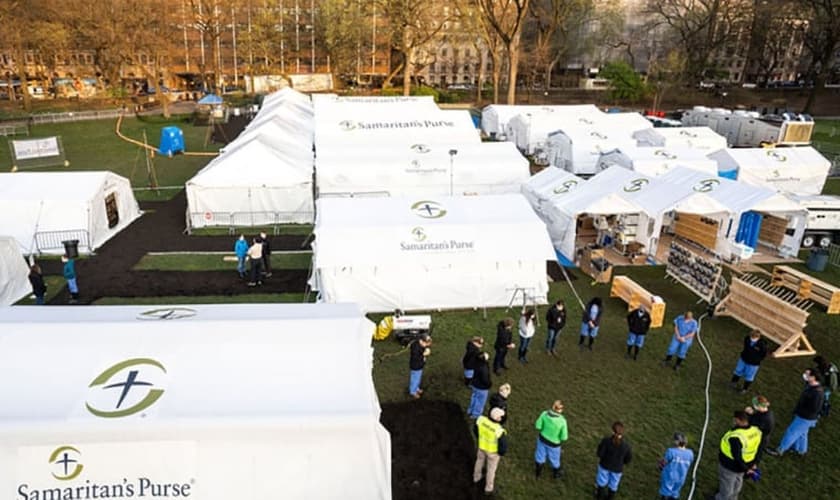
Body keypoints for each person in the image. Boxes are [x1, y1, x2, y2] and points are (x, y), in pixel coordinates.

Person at [766, 368, 824, 457]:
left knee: (791, 432)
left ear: (813, 377)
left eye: (807, 374)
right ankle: (800, 450)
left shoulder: (817, 393)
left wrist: (801, 411)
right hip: (807, 417)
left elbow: (815, 408)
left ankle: (780, 450)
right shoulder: (810, 386)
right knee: (802, 433)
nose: (805, 375)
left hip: (805, 417)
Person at [715, 410, 762, 500]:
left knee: (726, 487)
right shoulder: (756, 431)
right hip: (746, 464)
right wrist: (752, 464)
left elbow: (737, 456)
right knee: (737, 483)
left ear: (738, 420)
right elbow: (759, 448)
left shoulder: (736, 437)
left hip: (730, 466)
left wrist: (747, 469)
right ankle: (733, 498)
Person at [473, 407, 508, 496]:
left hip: (481, 447)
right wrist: (501, 453)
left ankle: (476, 477)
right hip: (492, 453)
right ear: (498, 419)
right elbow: (503, 446)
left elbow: (475, 430)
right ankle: (488, 488)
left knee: (479, 461)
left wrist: (479, 438)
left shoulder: (481, 420)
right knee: (491, 470)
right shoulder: (498, 430)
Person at [594, 421, 633, 500]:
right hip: (617, 469)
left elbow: (600, 454)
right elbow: (628, 459)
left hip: (604, 465)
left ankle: (599, 497)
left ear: (612, 431)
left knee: (601, 482)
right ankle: (610, 498)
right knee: (613, 484)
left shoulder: (606, 441)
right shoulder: (626, 446)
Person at [534, 400, 568, 480]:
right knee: (555, 459)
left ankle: (537, 474)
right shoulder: (562, 421)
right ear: (560, 410)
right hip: (554, 444)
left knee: (540, 456)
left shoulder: (544, 414)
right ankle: (556, 474)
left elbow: (538, 426)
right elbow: (564, 437)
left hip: (542, 439)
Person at [659, 432, 694, 500]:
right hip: (681, 478)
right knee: (675, 493)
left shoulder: (671, 452)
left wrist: (660, 466)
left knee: (666, 493)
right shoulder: (690, 453)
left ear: (676, 442)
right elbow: (690, 462)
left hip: (669, 477)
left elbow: (663, 463)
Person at [744, 396, 774, 463]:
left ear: (759, 406)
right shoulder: (764, 412)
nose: (753, 406)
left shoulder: (765, 418)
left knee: (757, 455)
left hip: (760, 440)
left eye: (755, 405)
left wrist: (748, 414)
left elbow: (752, 425)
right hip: (760, 436)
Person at [468, 352, 492, 418]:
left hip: (475, 385)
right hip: (482, 388)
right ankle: (476, 414)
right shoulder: (483, 368)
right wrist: (489, 384)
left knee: (474, 398)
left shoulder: (476, 363)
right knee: (480, 401)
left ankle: (470, 410)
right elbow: (485, 379)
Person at [408, 334, 432, 399]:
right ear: (421, 341)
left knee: (418, 379)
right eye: (425, 344)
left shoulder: (420, 344)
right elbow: (416, 358)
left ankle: (417, 388)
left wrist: (426, 348)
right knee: (415, 379)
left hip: (419, 365)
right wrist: (424, 354)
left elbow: (424, 347)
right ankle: (413, 391)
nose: (426, 346)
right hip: (416, 366)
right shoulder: (415, 348)